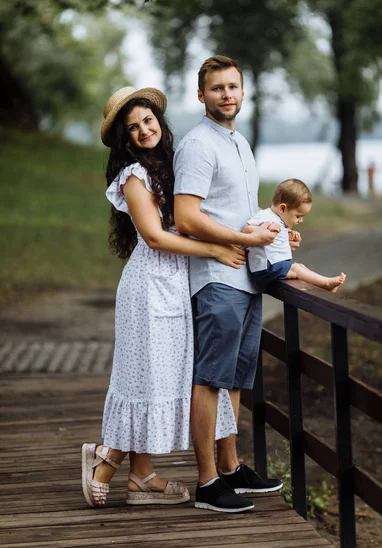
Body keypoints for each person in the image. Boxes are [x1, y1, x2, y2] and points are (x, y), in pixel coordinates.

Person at [81, 85, 249, 508]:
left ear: (160, 121)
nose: (143, 130)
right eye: (133, 128)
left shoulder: (170, 166)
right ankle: (107, 459)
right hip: (149, 287)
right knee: (147, 377)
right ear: (124, 139)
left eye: (148, 121)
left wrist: (271, 232)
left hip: (175, 284)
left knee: (163, 376)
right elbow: (155, 238)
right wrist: (214, 250)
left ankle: (142, 476)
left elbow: (205, 213)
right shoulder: (133, 176)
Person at [173, 55, 297, 513]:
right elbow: (187, 216)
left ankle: (231, 468)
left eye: (233, 87)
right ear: (201, 94)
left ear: (243, 92)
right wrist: (244, 238)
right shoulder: (198, 145)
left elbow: (242, 213)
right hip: (217, 280)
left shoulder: (239, 143)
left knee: (238, 377)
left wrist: (278, 231)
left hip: (247, 280)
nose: (226, 94)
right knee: (210, 378)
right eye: (217, 87)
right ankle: (207, 482)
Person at [245, 178, 346, 293]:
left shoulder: (280, 220)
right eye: (298, 216)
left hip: (274, 265)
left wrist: (290, 235)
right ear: (282, 208)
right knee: (297, 269)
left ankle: (326, 285)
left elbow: (279, 237)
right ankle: (326, 283)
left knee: (300, 267)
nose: (300, 220)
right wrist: (260, 230)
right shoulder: (264, 216)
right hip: (265, 267)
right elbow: (246, 229)